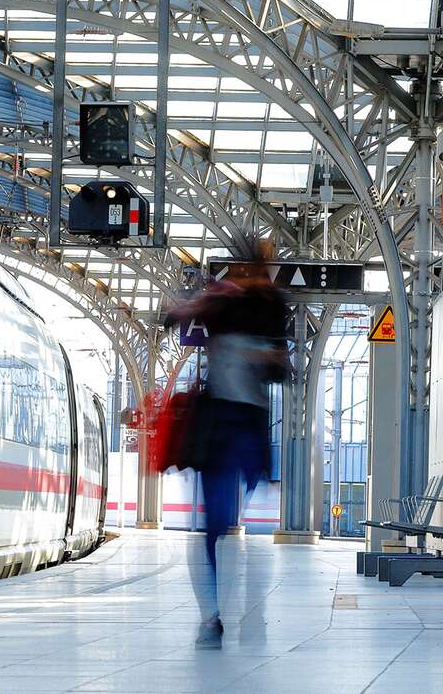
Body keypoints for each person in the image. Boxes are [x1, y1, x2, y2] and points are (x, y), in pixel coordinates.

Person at [164, 237, 288, 649]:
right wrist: (189, 306)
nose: (255, 276)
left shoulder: (270, 306)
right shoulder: (226, 302)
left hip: (242, 426)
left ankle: (229, 612)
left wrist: (266, 359)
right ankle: (214, 615)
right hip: (226, 427)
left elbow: (281, 367)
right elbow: (172, 317)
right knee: (215, 526)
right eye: (254, 268)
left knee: (224, 526)